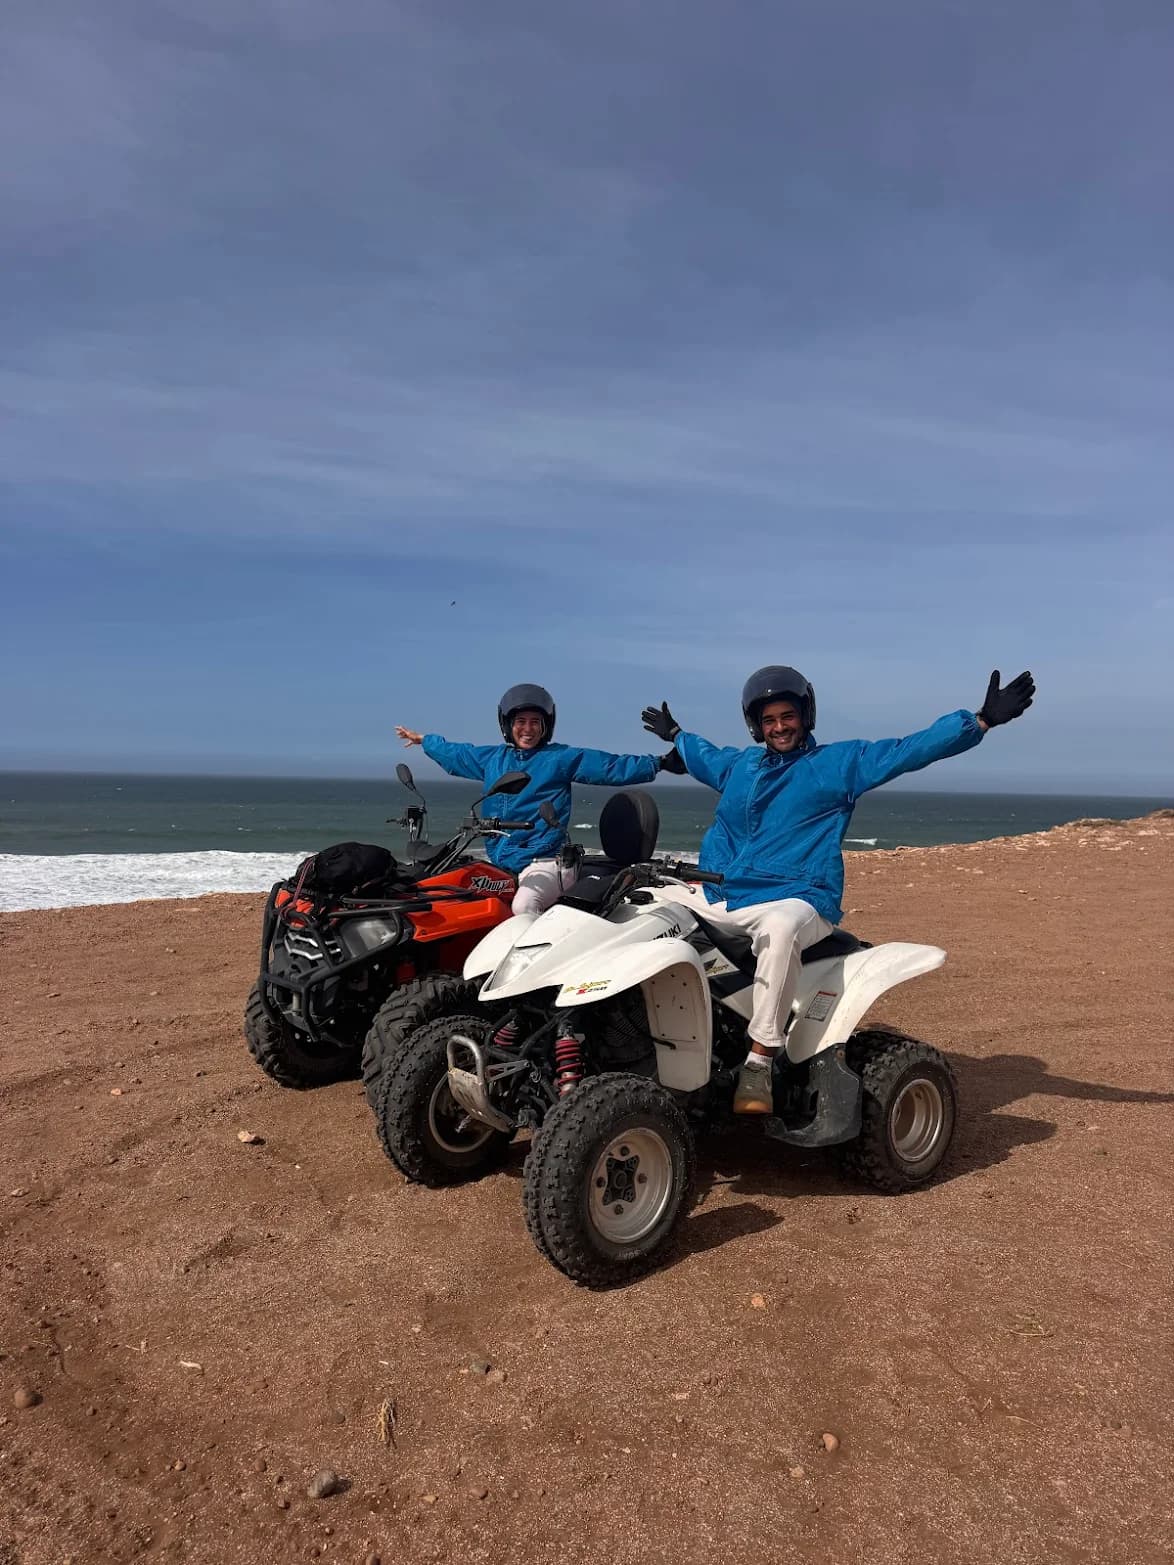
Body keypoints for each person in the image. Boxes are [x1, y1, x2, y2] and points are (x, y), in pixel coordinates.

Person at [641, 666, 1035, 1113]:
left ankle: (759, 1060)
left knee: (781, 929)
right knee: (643, 902)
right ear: (756, 725)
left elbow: (908, 750)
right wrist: (677, 734)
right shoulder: (740, 766)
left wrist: (979, 719)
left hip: (797, 894)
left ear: (805, 715)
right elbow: (703, 755)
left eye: (787, 716)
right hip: (721, 890)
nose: (779, 727)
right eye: (769, 720)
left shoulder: (838, 764)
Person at [396, 683, 685, 915]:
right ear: (507, 725)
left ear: (546, 726)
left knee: (524, 906)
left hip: (547, 861)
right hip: (501, 861)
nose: (528, 728)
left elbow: (609, 766)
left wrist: (658, 763)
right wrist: (426, 741)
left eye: (535, 722)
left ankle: (530, 975)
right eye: (520, 721)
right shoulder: (493, 759)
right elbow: (457, 753)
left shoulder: (559, 757)